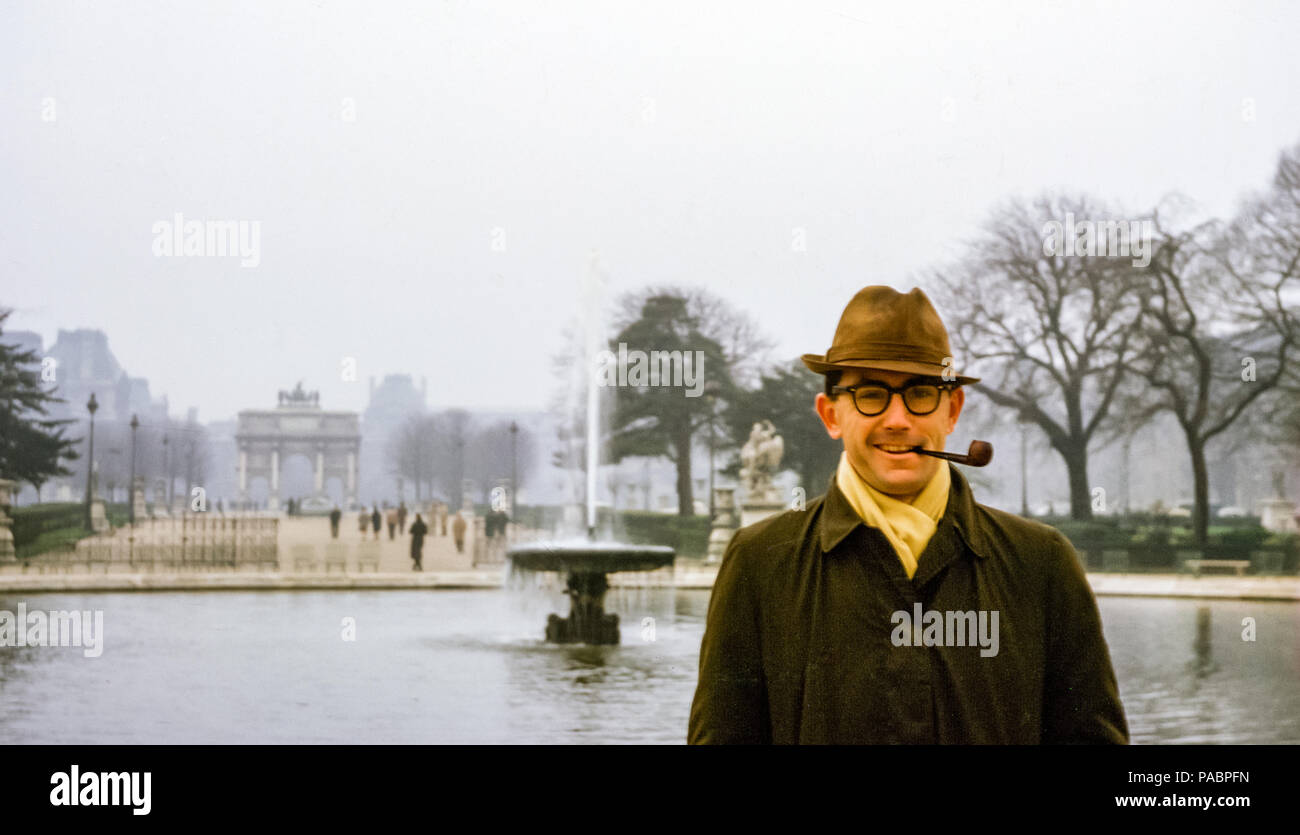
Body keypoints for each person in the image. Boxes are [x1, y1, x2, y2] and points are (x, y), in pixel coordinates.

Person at [688, 285, 1128, 745]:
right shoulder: (761, 563)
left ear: (952, 410)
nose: (898, 419)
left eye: (920, 393)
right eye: (871, 394)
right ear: (831, 414)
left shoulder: (1041, 563)